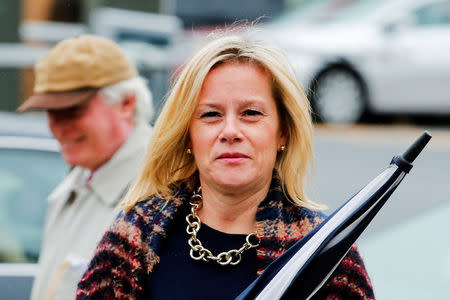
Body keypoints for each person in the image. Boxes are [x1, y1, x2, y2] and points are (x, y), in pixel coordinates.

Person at [76, 34, 374, 299]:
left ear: (283, 132)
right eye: (211, 115)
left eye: (251, 113)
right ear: (187, 134)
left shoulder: (326, 253)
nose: (230, 131)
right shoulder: (135, 236)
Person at [17, 35, 154, 300]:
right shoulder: (76, 183)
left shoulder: (158, 192)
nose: (58, 127)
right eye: (50, 112)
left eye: (72, 110)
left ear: (127, 103)